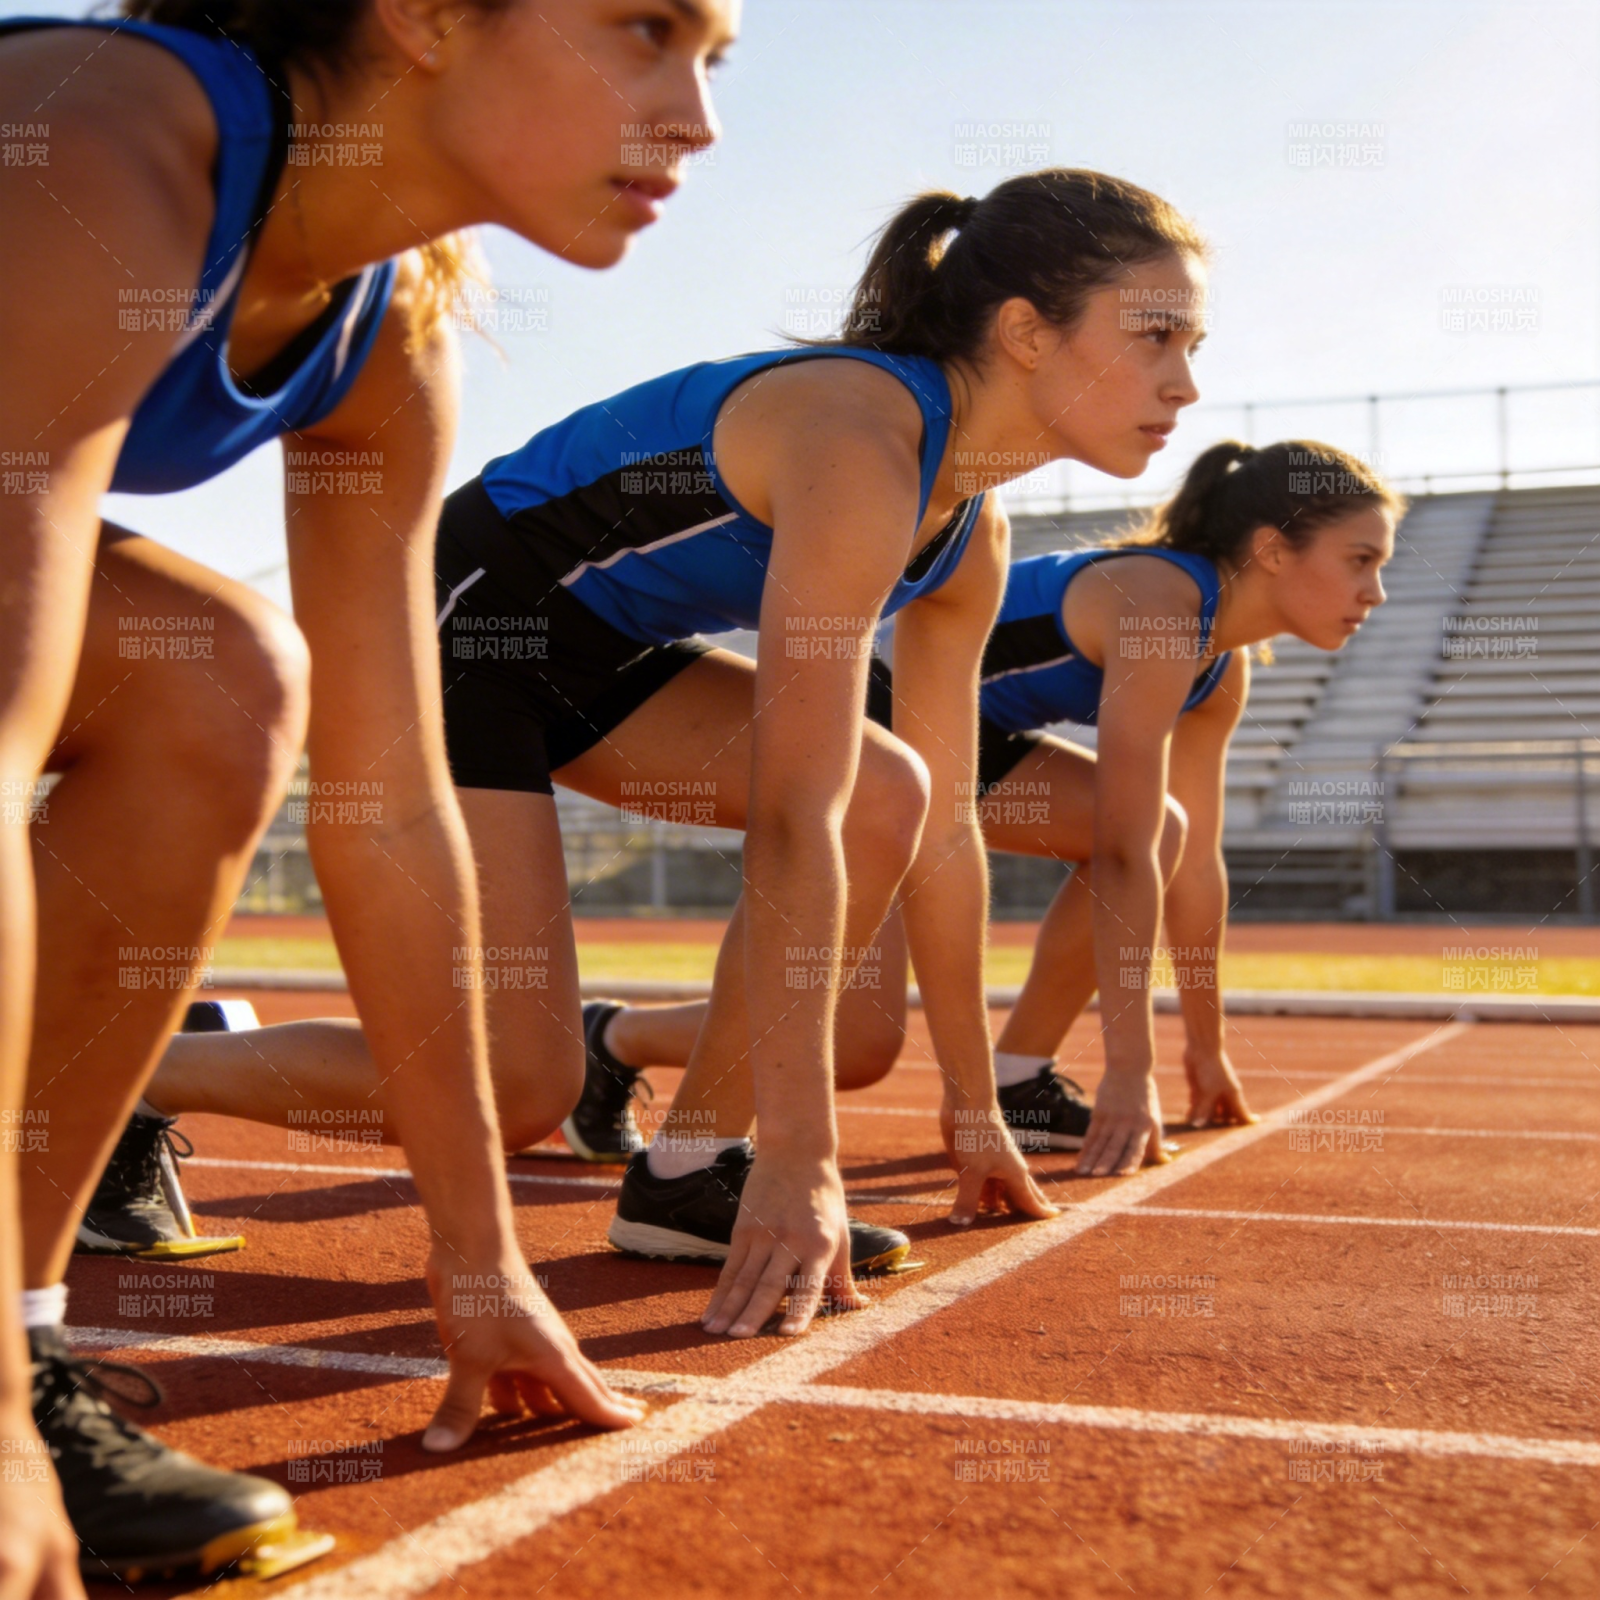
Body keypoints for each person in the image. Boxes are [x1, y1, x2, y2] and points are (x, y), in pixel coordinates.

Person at [140, 167, 1210, 1342]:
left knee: (895, 794)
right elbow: (794, 816)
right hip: (462, 622)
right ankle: (132, 1071)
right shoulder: (860, 438)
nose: (1184, 382)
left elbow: (945, 829)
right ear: (1023, 331)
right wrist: (803, 1158)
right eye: (1154, 336)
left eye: (1193, 343)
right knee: (515, 1089)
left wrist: (973, 1107)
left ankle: (690, 1165)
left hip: (603, 655)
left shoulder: (970, 535)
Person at [0, 0, 736, 1585]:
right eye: (644, 31)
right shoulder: (93, 136)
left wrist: (471, 1253)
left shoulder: (378, 340)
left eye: (712, 61)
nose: (696, 118)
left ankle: (24, 1320)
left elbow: (392, 807)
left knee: (223, 682)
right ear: (421, 15)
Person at [570, 440, 1400, 1179]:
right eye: (1361, 560)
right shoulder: (1158, 605)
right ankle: (611, 1038)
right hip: (884, 720)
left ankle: (1019, 1077)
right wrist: (1129, 1070)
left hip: (976, 743)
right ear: (1271, 550)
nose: (1378, 591)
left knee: (1173, 838)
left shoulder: (1222, 668)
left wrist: (1207, 1050)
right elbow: (1123, 851)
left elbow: (1195, 868)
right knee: (860, 1042)